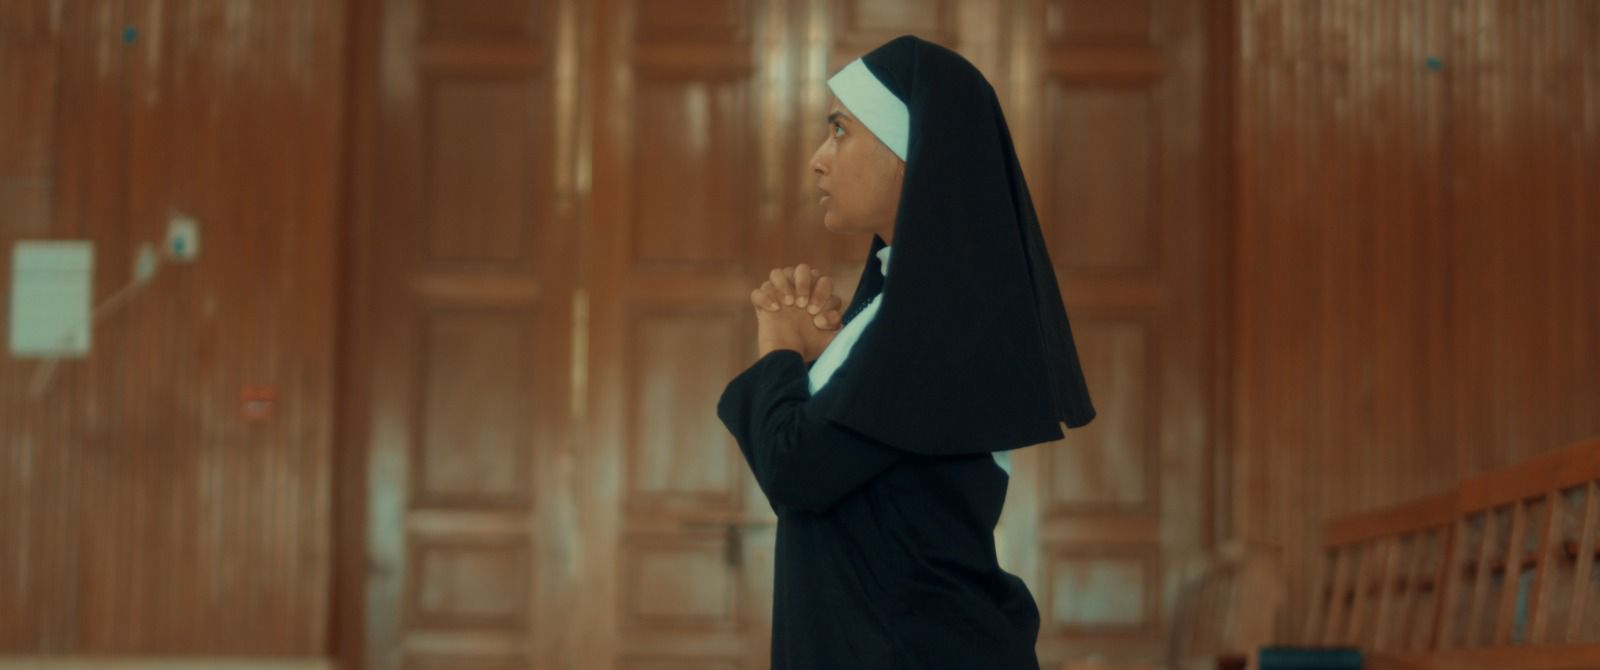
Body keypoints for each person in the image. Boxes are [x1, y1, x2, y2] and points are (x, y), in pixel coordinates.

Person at [716, 35, 1095, 669]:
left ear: (910, 151)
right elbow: (844, 483)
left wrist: (780, 353)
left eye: (840, 130)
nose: (817, 160)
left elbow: (795, 471)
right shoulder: (909, 313)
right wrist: (818, 365)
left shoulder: (939, 318)